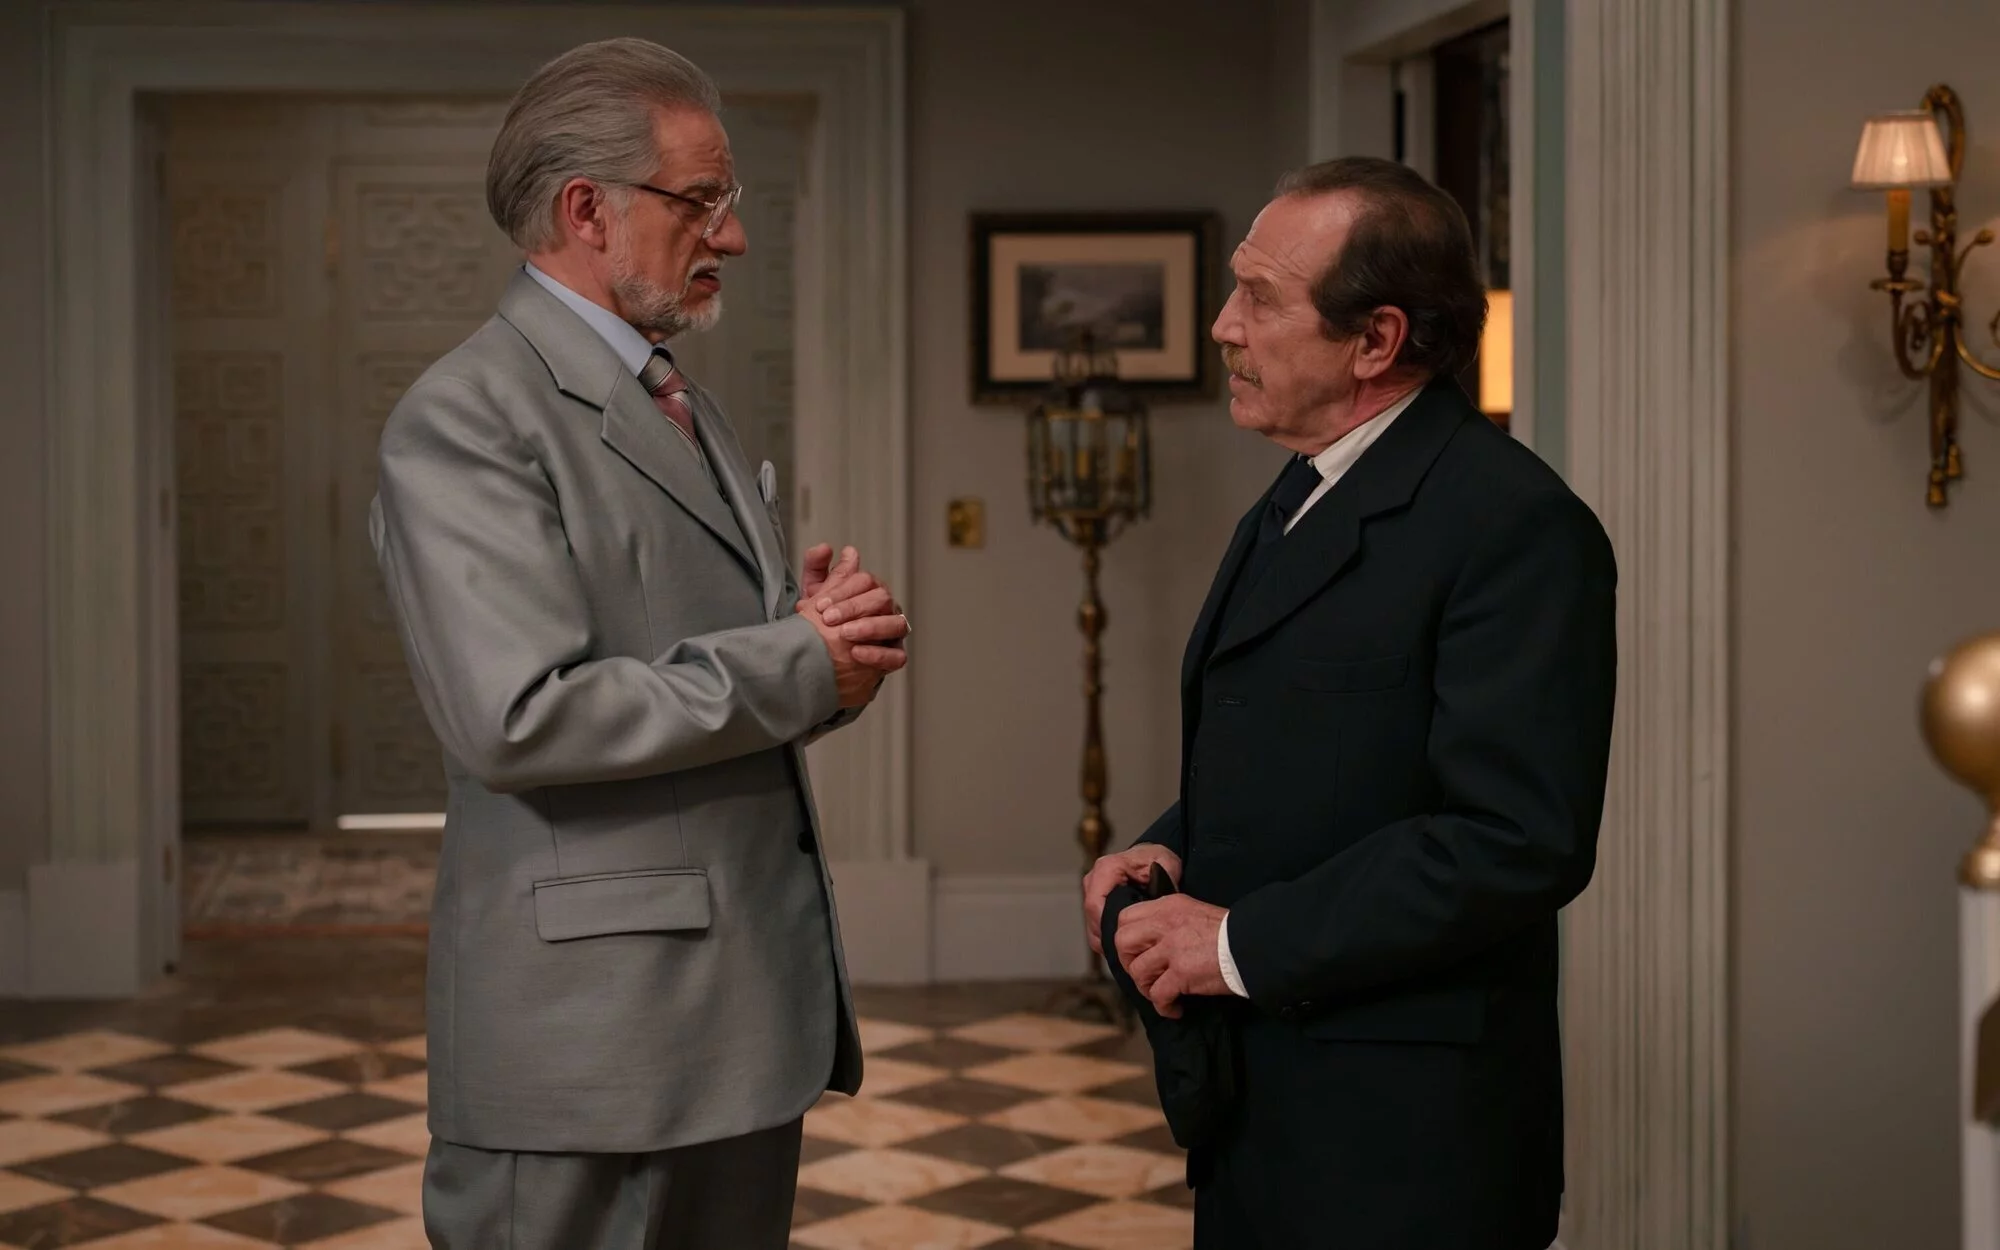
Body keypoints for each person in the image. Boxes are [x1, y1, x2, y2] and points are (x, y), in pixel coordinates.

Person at [368, 37, 909, 1250]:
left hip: (734, 1019)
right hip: (591, 1044)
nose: (732, 236)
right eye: (701, 201)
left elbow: (688, 655)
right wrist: (794, 660)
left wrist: (826, 651)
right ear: (586, 209)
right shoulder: (465, 417)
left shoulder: (679, 396)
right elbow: (519, 717)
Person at [1082, 156, 1618, 1250]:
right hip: (1265, 1099)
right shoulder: (1301, 485)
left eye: (1258, 296)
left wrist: (1236, 941)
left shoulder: (1512, 524)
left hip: (1405, 1137)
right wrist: (1165, 849)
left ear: (1375, 339)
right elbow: (1303, 749)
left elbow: (1515, 838)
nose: (1223, 326)